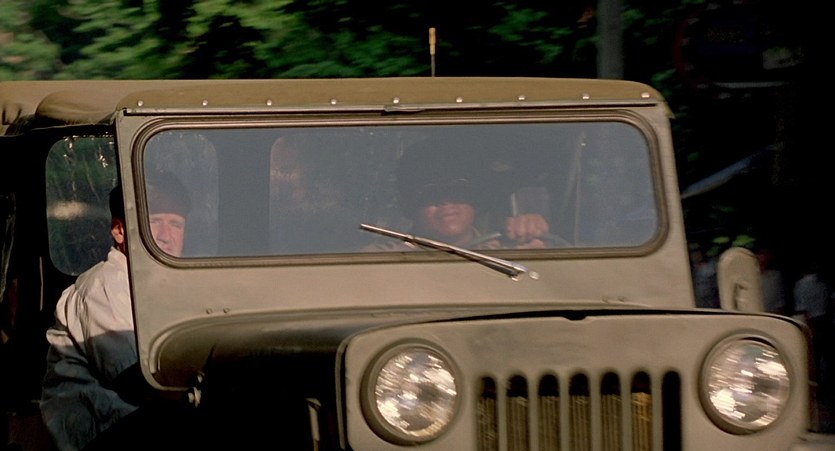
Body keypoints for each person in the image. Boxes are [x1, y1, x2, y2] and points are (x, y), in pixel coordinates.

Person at [40, 173, 190, 451]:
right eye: (154, 222)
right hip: (98, 428)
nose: (166, 236)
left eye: (176, 224)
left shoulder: (172, 288)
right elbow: (137, 378)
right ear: (120, 231)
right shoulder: (106, 285)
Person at [367, 136, 554, 250]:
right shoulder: (381, 259)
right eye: (430, 191)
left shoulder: (508, 252)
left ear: (475, 194)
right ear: (407, 203)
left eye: (458, 188)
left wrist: (534, 240)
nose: (446, 200)